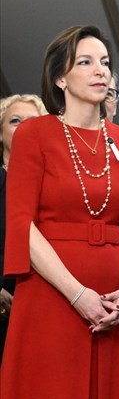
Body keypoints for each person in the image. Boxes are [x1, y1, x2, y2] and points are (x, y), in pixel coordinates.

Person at [1, 25, 119, 399]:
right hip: (51, 296)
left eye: (104, 62)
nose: (100, 70)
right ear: (60, 79)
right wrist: (76, 294)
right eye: (85, 62)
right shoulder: (34, 134)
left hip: (117, 303)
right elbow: (21, 224)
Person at [0, 94, 47, 364]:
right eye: (15, 121)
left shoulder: (57, 186)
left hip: (48, 302)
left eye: (33, 121)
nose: (25, 128)